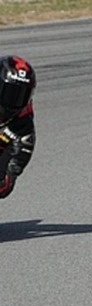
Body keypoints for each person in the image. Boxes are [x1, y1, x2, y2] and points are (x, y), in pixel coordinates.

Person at [0, 56, 36, 199]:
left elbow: (5, 185)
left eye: (20, 96)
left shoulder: (23, 131)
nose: (12, 102)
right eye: (9, 94)